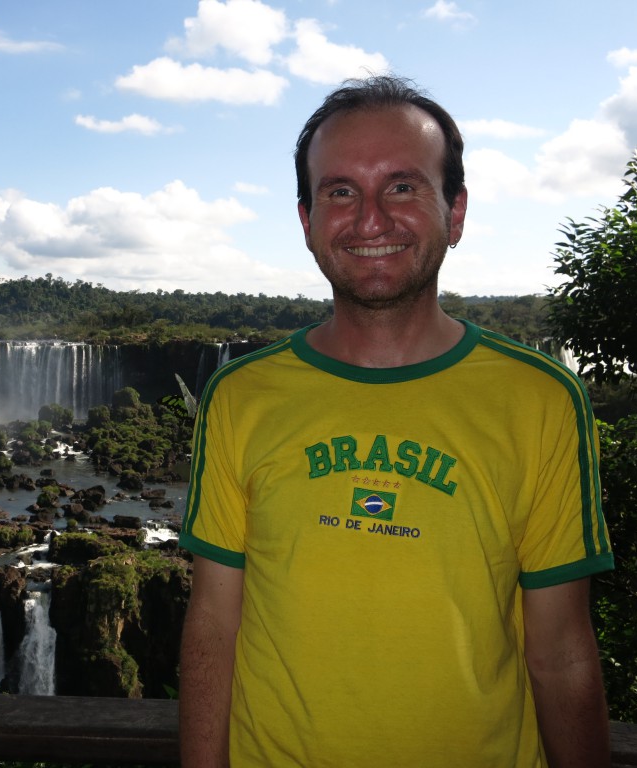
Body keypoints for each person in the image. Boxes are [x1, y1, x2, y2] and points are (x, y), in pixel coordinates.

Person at [178, 75, 614, 767]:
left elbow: (560, 654)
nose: (370, 219)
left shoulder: (542, 400)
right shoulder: (240, 395)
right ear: (307, 221)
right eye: (341, 191)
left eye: (403, 187)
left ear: (457, 211)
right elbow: (213, 628)